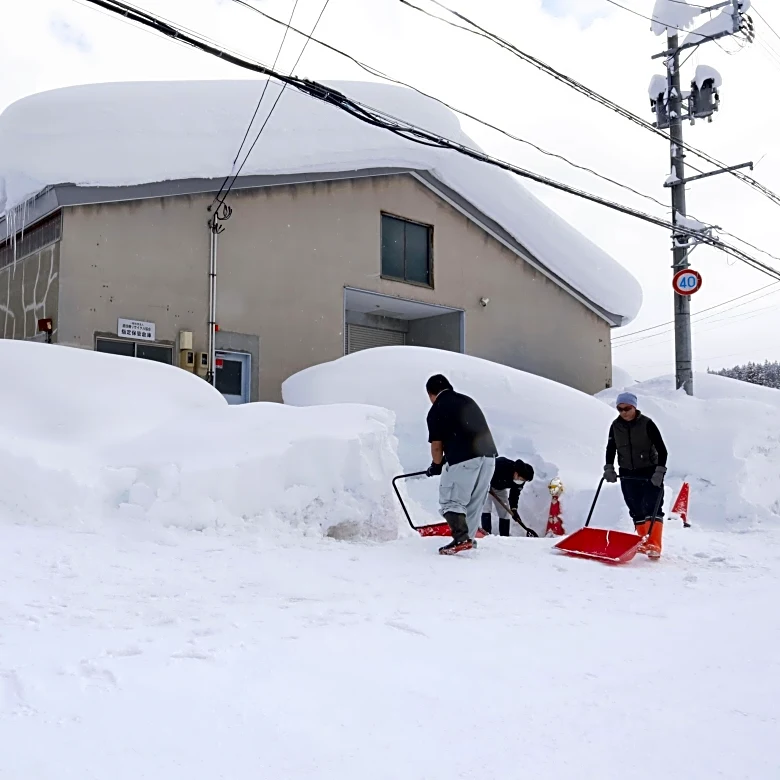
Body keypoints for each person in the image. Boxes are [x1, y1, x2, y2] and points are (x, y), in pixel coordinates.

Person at [425, 374, 497, 555]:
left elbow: (436, 446)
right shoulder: (467, 400)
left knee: (451, 501)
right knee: (475, 500)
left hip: (463, 458)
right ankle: (468, 540)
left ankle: (461, 538)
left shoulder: (437, 409)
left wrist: (436, 465)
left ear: (431, 394)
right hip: (488, 457)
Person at [603, 391, 668, 559]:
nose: (624, 412)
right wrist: (609, 468)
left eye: (627, 408)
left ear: (634, 407)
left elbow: (662, 450)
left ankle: (654, 543)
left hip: (649, 471)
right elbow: (611, 449)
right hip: (627, 472)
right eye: (620, 409)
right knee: (635, 508)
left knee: (652, 506)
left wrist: (660, 471)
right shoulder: (615, 426)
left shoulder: (647, 424)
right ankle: (643, 542)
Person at [481, 457, 535, 537]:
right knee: (486, 508)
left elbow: (514, 495)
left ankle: (504, 536)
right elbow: (484, 472)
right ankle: (486, 534)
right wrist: (487, 485)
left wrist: (514, 509)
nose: (522, 481)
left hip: (500, 488)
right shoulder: (501, 465)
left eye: (524, 480)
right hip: (486, 485)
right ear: (516, 473)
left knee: (505, 512)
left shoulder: (520, 481)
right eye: (521, 479)